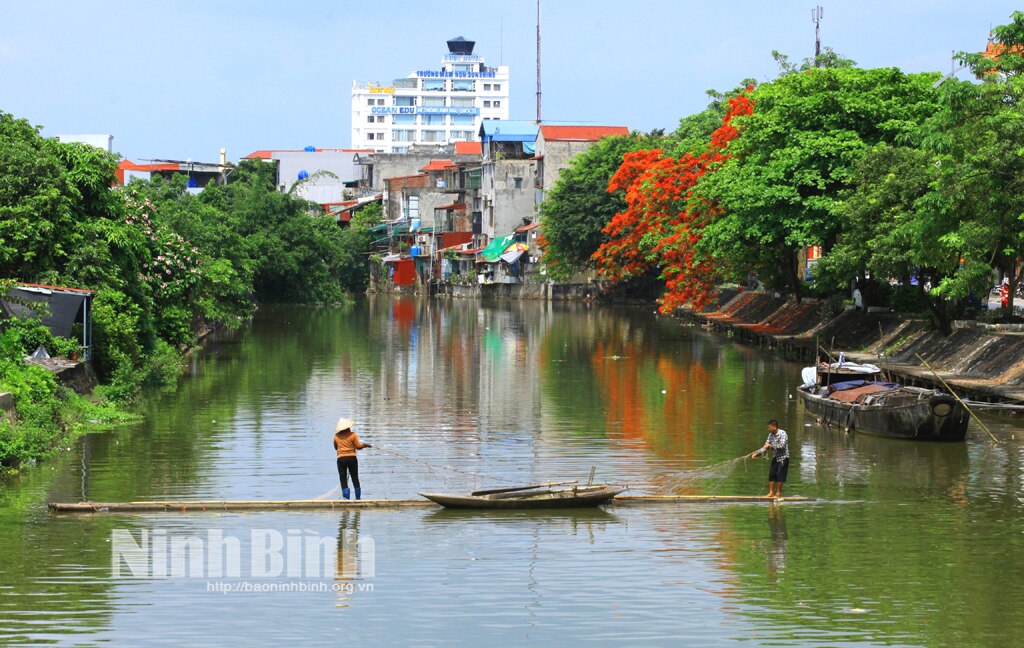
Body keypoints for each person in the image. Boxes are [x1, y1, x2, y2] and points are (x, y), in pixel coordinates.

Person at [334, 417, 371, 500]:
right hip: (352, 458)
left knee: (343, 479)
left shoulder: (336, 436)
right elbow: (358, 447)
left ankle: (346, 499)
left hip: (341, 459)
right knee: (355, 477)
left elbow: (336, 447)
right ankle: (358, 499)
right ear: (347, 427)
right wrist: (364, 445)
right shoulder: (353, 435)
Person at [751, 419, 789, 499]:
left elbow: (781, 446)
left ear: (774, 427)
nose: (768, 429)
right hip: (775, 457)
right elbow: (765, 447)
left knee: (780, 475)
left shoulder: (783, 434)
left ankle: (778, 493)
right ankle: (771, 493)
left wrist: (770, 447)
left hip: (783, 457)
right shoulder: (770, 435)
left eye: (769, 427)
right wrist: (757, 454)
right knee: (771, 475)